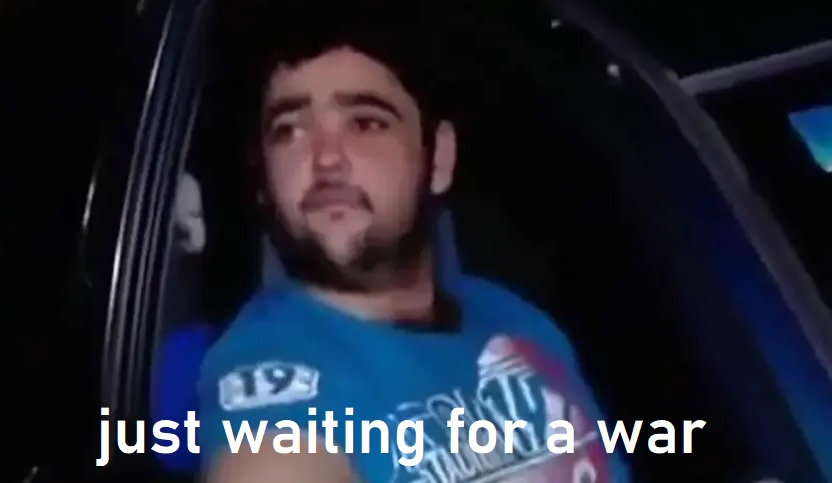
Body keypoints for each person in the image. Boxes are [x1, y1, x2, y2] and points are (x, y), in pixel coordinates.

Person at [198, 4, 630, 482]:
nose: (325, 159)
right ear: (263, 178)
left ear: (438, 158)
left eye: (365, 123)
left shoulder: (514, 320)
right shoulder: (271, 386)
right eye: (288, 131)